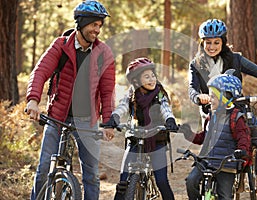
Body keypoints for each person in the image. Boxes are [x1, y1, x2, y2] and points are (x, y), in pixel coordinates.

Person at [25, 1, 115, 199]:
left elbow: (107, 91)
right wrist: (33, 99)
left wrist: (108, 121)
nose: (97, 30)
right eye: (94, 25)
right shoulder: (61, 45)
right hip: (57, 116)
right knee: (43, 170)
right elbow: (40, 72)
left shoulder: (104, 53)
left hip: (87, 120)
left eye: (100, 26)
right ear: (81, 23)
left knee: (91, 175)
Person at [188, 19, 257, 126]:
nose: (212, 47)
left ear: (223, 42)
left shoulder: (236, 59)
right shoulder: (196, 64)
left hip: (237, 109)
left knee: (254, 128)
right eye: (208, 43)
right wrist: (198, 97)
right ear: (202, 43)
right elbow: (192, 88)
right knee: (211, 141)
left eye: (216, 42)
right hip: (211, 113)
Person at [105, 57, 178, 200]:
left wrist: (170, 120)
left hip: (156, 139)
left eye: (153, 75)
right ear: (137, 81)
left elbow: (166, 109)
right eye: (147, 77)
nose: (152, 79)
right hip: (135, 137)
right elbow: (122, 107)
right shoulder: (132, 94)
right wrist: (114, 118)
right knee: (123, 181)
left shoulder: (159, 94)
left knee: (162, 181)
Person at [180, 73, 252, 200]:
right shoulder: (211, 116)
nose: (209, 99)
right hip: (206, 161)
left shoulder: (236, 118)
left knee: (224, 195)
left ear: (225, 98)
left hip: (226, 164)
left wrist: (242, 151)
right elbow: (203, 138)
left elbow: (243, 137)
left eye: (213, 97)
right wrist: (188, 134)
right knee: (191, 182)